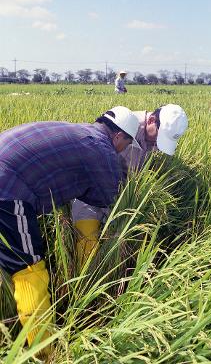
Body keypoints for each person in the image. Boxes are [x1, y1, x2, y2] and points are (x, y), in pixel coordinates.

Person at [0, 106, 140, 358]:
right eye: (127, 144)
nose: (124, 150)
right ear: (118, 137)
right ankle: (46, 354)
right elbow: (102, 202)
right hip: (7, 189)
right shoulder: (104, 152)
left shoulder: (79, 132)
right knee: (30, 272)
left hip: (7, 171)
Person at [72, 104, 188, 266]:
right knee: (87, 240)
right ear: (152, 120)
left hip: (119, 198)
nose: (156, 144)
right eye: (158, 138)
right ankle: (84, 282)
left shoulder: (151, 137)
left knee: (116, 244)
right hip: (91, 192)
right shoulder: (124, 126)